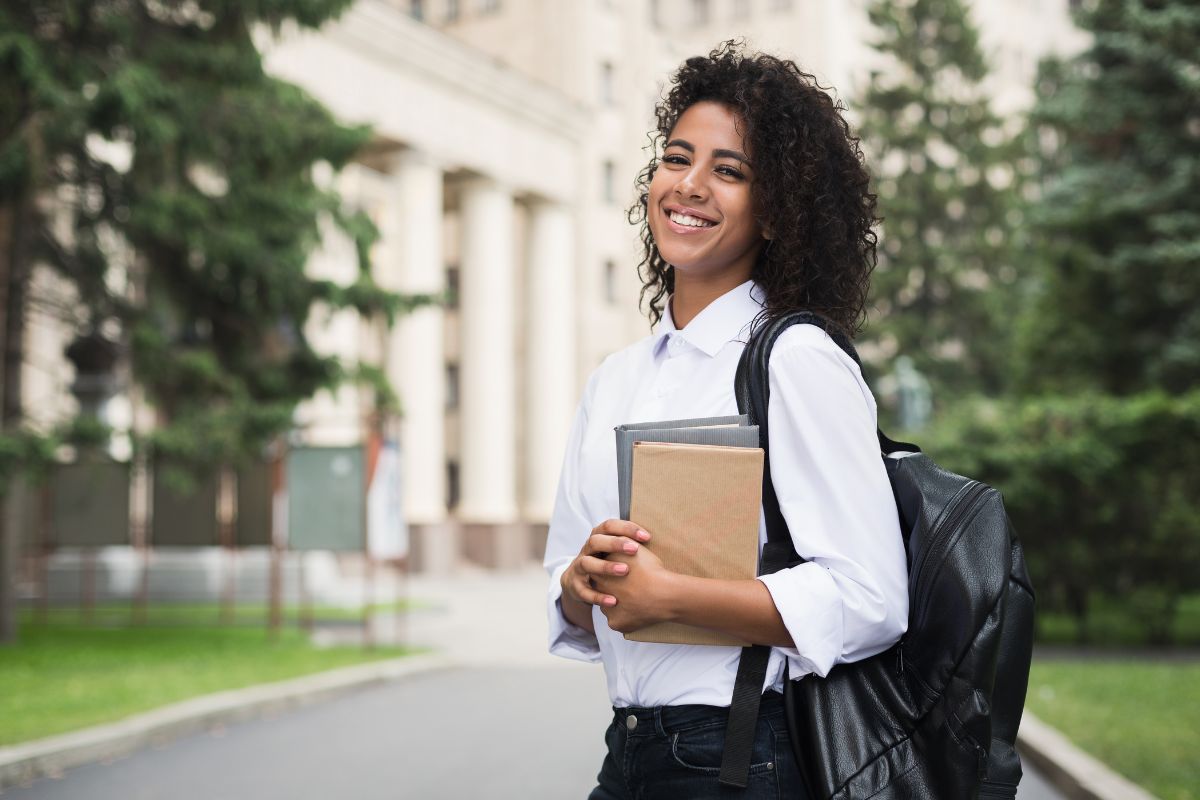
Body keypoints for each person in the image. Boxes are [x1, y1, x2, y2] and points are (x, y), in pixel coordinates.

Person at [543, 40, 908, 799]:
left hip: (743, 758)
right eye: (678, 159)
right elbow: (570, 601)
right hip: (631, 754)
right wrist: (586, 582)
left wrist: (671, 598)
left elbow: (872, 598)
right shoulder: (614, 381)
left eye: (729, 171)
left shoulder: (795, 361)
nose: (691, 185)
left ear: (775, 215)